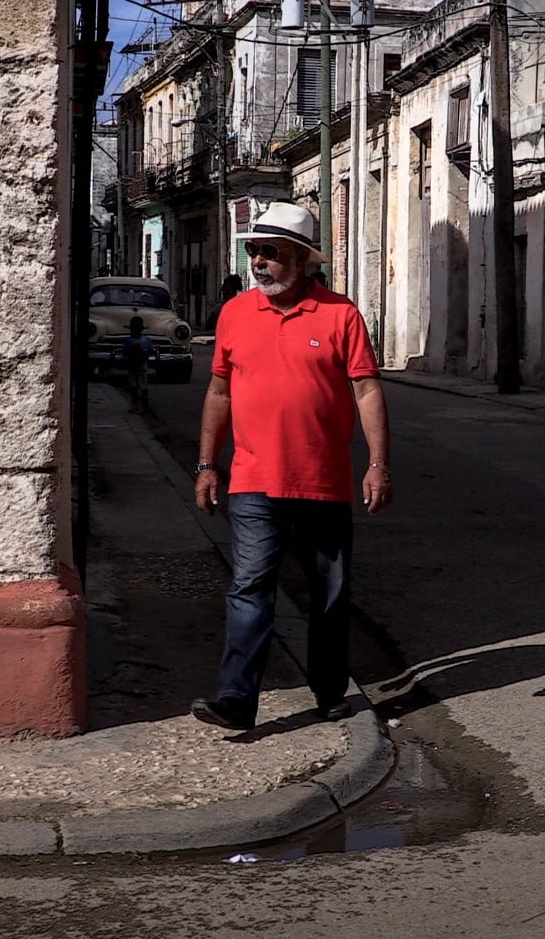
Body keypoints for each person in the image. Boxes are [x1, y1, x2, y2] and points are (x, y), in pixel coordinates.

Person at [190, 202, 391, 732]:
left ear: (301, 259)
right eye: (254, 250)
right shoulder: (234, 313)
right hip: (254, 481)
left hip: (323, 482)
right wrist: (207, 463)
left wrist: (378, 465)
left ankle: (329, 691)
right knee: (250, 587)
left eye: (270, 252)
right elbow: (218, 391)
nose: (258, 261)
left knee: (328, 594)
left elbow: (367, 390)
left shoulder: (340, 314)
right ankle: (236, 699)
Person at [119, 314, 157, 415]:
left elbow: (150, 351)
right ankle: (138, 405)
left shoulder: (133, 341)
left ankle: (142, 405)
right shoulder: (134, 341)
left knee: (140, 387)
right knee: (135, 387)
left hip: (139, 367)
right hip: (135, 367)